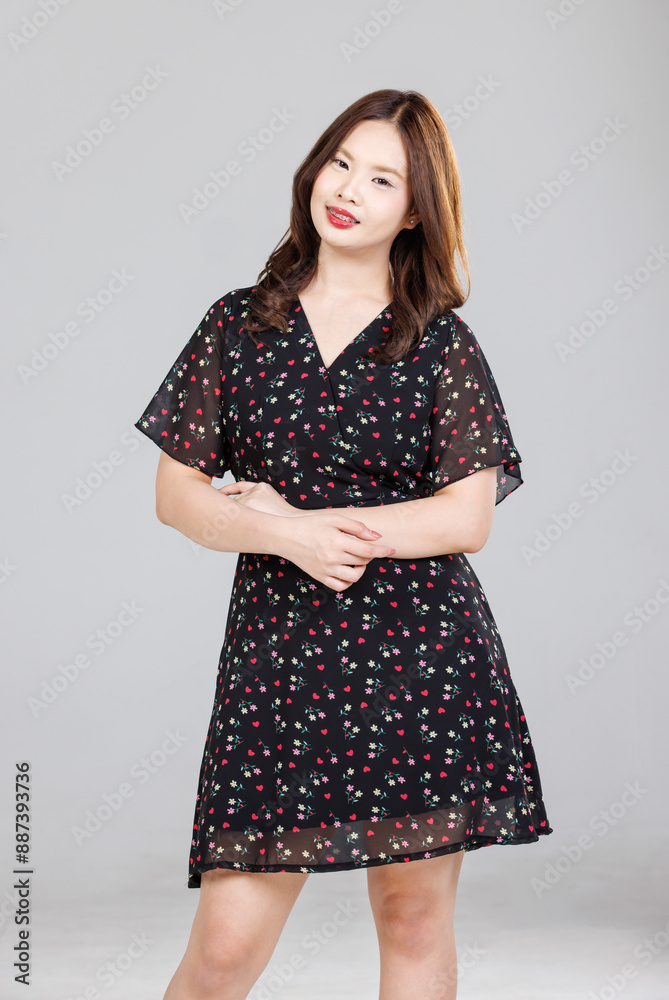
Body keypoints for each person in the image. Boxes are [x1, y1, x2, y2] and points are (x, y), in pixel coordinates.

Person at [134, 88, 553, 1000]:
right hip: (279, 664)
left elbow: (465, 516)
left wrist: (307, 524)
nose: (350, 190)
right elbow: (176, 497)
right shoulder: (237, 327)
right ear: (313, 171)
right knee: (225, 948)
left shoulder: (439, 341)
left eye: (381, 178)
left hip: (418, 660)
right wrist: (280, 535)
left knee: (410, 923)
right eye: (339, 163)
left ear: (414, 211)